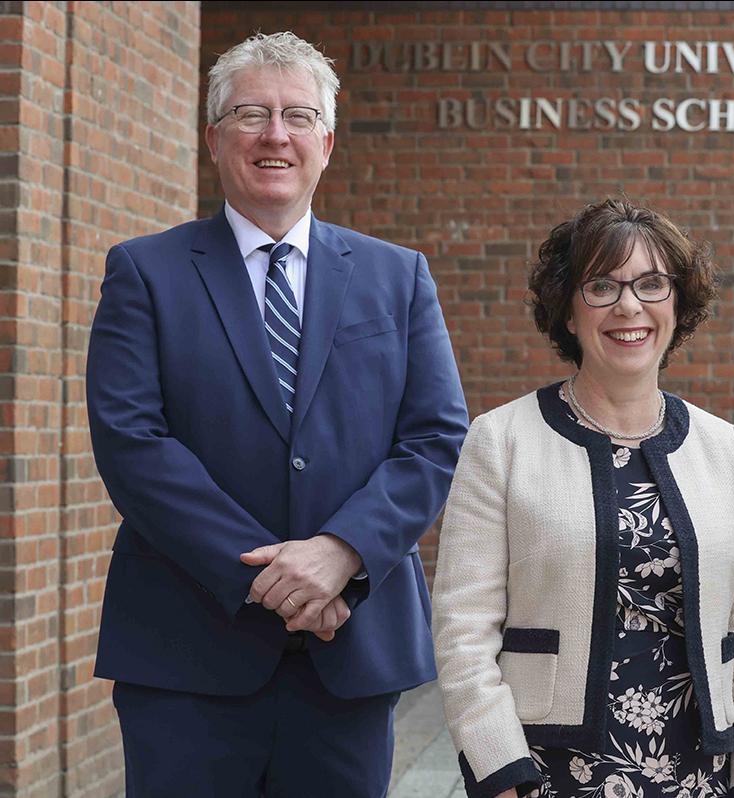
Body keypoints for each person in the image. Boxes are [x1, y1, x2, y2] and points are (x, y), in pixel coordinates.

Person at [86, 31, 468, 797]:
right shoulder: (145, 272)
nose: (274, 135)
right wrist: (275, 578)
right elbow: (133, 443)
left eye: (297, 115)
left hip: (349, 653)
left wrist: (340, 552)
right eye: (251, 113)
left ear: (326, 141)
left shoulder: (398, 277)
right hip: (185, 655)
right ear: (213, 138)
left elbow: (433, 436)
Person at [432, 199, 734, 798]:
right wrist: (500, 774)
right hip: (547, 770)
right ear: (568, 311)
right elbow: (462, 629)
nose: (629, 306)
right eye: (601, 286)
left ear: (678, 304)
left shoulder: (723, 447)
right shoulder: (501, 440)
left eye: (651, 284)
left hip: (702, 774)